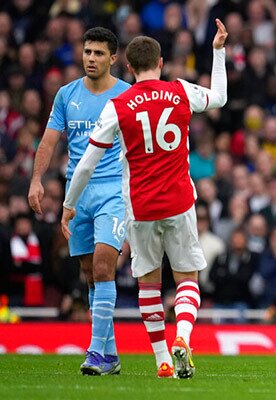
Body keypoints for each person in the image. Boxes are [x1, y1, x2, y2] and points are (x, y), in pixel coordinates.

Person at [61, 20, 229, 379]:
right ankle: (183, 336)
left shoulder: (118, 105)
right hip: (180, 202)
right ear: (161, 62)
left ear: (128, 67)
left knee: (149, 284)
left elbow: (87, 163)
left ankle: (162, 359)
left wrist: (68, 204)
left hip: (140, 206)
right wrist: (218, 51)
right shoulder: (181, 91)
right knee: (187, 279)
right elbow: (220, 98)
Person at [28, 27, 130, 376]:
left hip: (113, 192)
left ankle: (94, 354)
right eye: (87, 52)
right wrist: (37, 179)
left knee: (104, 267)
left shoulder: (127, 96)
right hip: (77, 194)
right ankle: (111, 354)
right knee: (89, 275)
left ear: (113, 58)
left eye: (99, 53)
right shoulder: (66, 95)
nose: (91, 58)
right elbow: (49, 140)